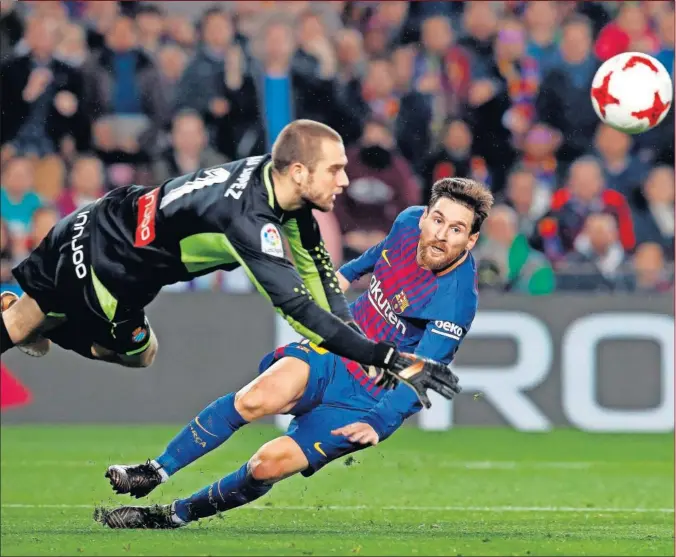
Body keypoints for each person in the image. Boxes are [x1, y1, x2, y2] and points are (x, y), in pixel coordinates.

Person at [96, 177, 493, 529]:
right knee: (255, 398)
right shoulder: (407, 223)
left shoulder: (455, 302)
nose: (442, 234)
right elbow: (379, 256)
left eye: (457, 229)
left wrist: (379, 421)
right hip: (338, 349)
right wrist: (344, 276)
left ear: (470, 240)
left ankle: (173, 515)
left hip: (367, 401)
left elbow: (421, 373)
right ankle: (155, 470)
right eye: (438, 220)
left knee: (264, 466)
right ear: (425, 216)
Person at [0, 120, 455, 400]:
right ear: (299, 171)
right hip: (111, 273)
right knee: (140, 354)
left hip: (95, 217)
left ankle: (37, 316)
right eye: (334, 169)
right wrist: (393, 358)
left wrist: (362, 345)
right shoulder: (251, 221)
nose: (345, 179)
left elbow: (320, 278)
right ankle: (54, 324)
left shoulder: (272, 177)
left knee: (18, 323)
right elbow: (301, 311)